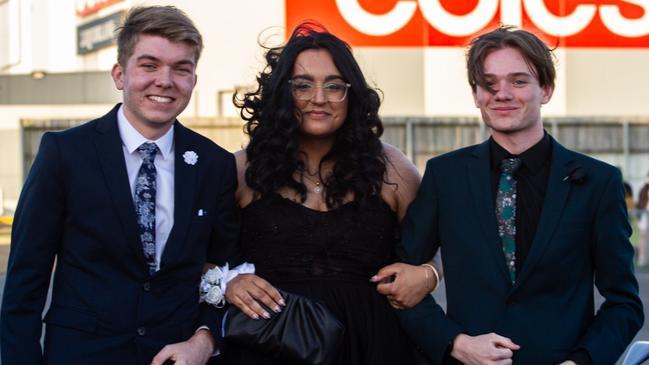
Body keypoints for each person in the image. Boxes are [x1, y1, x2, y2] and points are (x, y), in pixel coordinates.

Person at [377, 26, 643, 365]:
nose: (501, 93)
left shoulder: (598, 182)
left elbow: (625, 303)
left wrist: (582, 361)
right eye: (489, 83)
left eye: (518, 81)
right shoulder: (446, 176)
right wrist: (454, 343)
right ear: (476, 94)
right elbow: (398, 282)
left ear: (546, 89)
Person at [0, 6, 238, 364]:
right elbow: (24, 285)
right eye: (149, 65)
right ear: (119, 75)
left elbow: (224, 269)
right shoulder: (64, 154)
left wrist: (205, 340)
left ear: (193, 79)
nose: (165, 80)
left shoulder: (214, 164)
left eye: (181, 68)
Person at [219, 23, 439, 364]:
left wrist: (430, 274)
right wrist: (228, 283)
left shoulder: (392, 168)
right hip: (271, 349)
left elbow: (443, 246)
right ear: (281, 93)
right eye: (302, 85)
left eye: (334, 86)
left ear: (352, 96)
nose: (318, 98)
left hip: (374, 347)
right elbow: (192, 257)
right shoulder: (241, 170)